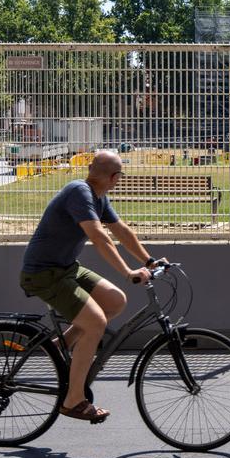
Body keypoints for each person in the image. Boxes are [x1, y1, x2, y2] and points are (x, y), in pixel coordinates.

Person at [19, 150, 164, 422]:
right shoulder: (79, 193)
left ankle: (62, 344)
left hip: (66, 269)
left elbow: (121, 231)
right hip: (43, 274)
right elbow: (99, 237)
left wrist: (149, 261)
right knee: (96, 324)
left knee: (115, 301)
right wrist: (128, 272)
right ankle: (73, 400)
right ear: (115, 178)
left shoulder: (98, 196)